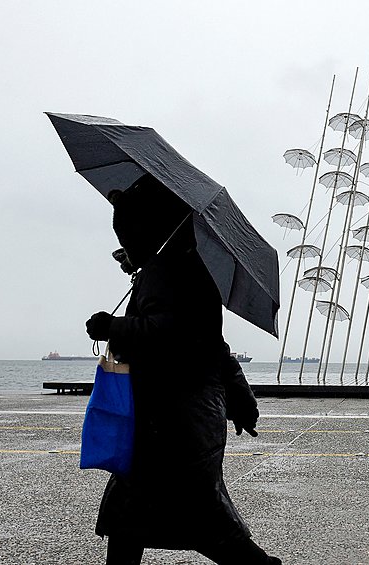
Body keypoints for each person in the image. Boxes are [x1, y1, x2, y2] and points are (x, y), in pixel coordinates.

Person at [84, 175, 280, 565]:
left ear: (148, 230)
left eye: (127, 236)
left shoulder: (166, 272)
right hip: (185, 422)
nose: (124, 246)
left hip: (173, 426)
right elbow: (213, 346)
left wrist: (112, 326)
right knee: (133, 516)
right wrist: (241, 399)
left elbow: (166, 334)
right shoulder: (187, 269)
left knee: (200, 521)